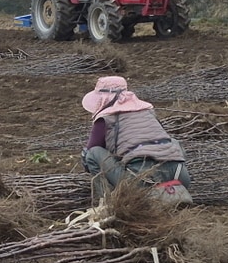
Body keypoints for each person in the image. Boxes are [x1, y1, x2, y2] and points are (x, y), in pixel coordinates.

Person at [81, 75, 193, 206]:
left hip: (140, 180)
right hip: (179, 177)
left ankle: (106, 203)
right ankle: (170, 192)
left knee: (92, 154)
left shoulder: (105, 118)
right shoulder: (147, 111)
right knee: (172, 142)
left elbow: (93, 148)